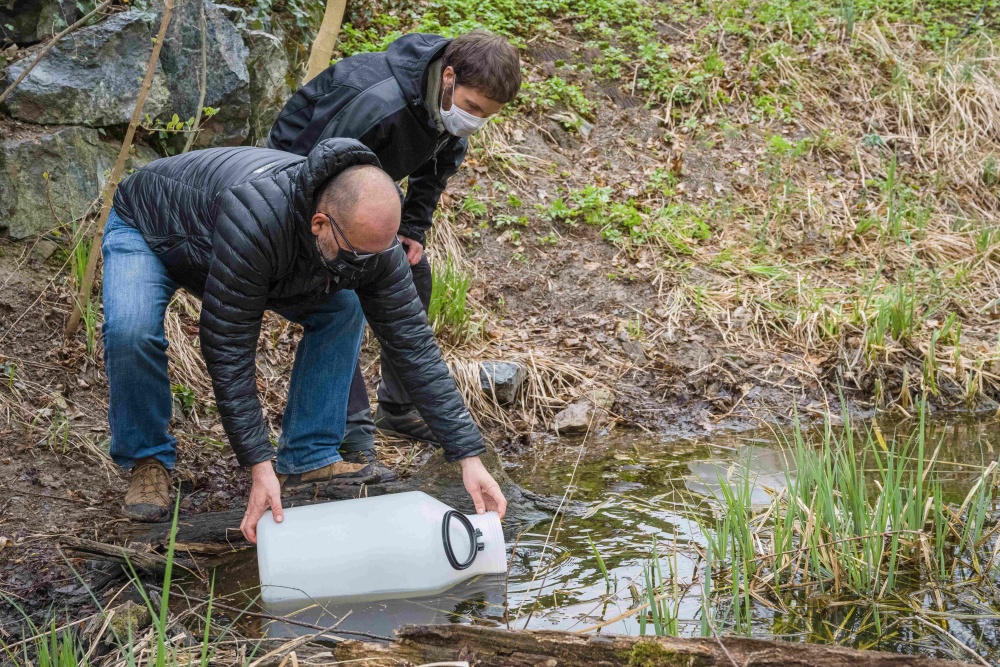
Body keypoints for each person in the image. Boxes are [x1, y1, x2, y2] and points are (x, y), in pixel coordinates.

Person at [102, 137, 507, 542]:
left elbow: (415, 346)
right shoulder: (257, 218)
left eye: (377, 257)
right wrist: (259, 468)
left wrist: (468, 456)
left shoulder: (370, 244)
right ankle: (147, 458)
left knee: (345, 307)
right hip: (151, 228)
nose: (367, 268)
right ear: (320, 224)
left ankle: (308, 455)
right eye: (357, 258)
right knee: (131, 332)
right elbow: (227, 346)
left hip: (233, 245)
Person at [267, 30, 521, 466]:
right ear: (448, 77)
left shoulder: (444, 103)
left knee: (412, 271)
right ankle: (351, 426)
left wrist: (413, 231)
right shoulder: (375, 100)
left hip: (367, 183)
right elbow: (306, 169)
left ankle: (398, 408)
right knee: (340, 291)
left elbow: (438, 168)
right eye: (473, 109)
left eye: (486, 116)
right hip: (293, 188)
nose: (474, 121)